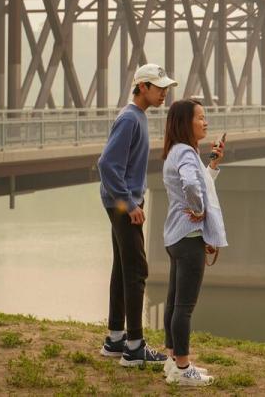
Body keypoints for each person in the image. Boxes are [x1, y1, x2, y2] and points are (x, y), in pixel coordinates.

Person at [97, 64, 177, 368]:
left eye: (166, 88)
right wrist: (130, 204)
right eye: (158, 88)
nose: (163, 93)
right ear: (142, 86)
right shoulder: (131, 118)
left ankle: (116, 339)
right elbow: (106, 164)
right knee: (137, 270)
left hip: (120, 201)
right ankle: (134, 347)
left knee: (122, 269)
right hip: (123, 205)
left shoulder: (136, 116)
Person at [160, 99, 228, 386]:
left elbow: (198, 182)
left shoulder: (177, 151)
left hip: (176, 236)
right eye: (201, 117)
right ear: (185, 122)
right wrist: (199, 211)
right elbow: (190, 185)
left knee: (174, 302)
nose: (206, 122)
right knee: (185, 306)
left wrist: (212, 164)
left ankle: (173, 361)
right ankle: (184, 368)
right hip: (189, 239)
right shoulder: (186, 153)